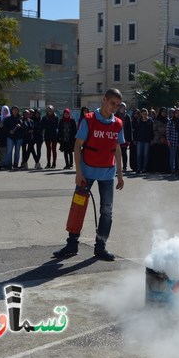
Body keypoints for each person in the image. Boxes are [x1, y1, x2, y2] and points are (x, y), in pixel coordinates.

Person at [53, 88, 125, 260]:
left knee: (107, 212)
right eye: (112, 103)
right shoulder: (89, 120)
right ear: (104, 99)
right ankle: (71, 245)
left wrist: (120, 175)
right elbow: (77, 146)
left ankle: (100, 248)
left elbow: (117, 149)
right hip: (87, 173)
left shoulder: (118, 124)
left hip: (108, 174)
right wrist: (78, 172)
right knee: (78, 207)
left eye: (117, 105)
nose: (114, 108)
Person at [3, 106, 25, 170]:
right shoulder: (8, 119)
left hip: (19, 138)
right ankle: (8, 165)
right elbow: (5, 128)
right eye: (13, 110)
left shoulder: (21, 119)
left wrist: (20, 126)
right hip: (10, 137)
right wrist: (9, 131)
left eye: (16, 110)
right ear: (11, 111)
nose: (15, 111)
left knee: (17, 151)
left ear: (18, 111)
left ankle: (15, 165)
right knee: (9, 151)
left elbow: (24, 128)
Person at [150, 107, 170, 173]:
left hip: (166, 141)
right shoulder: (156, 120)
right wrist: (160, 137)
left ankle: (164, 169)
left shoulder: (168, 120)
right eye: (162, 112)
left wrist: (165, 137)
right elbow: (155, 130)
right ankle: (156, 169)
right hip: (157, 140)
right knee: (157, 156)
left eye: (165, 112)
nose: (164, 113)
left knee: (165, 156)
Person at [135, 108, 153, 173]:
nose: (144, 115)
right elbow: (136, 131)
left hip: (147, 140)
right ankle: (139, 168)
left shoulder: (150, 121)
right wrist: (135, 139)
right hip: (139, 140)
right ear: (141, 114)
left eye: (145, 114)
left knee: (146, 155)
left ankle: (144, 168)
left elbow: (152, 131)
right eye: (143, 114)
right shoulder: (138, 121)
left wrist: (152, 139)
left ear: (147, 114)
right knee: (139, 155)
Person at [115, 102, 132, 172]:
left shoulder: (127, 116)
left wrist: (130, 139)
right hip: (116, 137)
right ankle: (116, 167)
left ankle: (124, 167)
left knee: (124, 153)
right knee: (116, 153)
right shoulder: (115, 115)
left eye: (124, 107)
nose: (123, 109)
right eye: (121, 107)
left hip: (125, 137)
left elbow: (129, 128)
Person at [166, 107, 178, 173]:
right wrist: (168, 141)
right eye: (170, 112)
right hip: (172, 141)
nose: (172, 114)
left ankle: (178, 168)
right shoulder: (170, 121)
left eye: (173, 112)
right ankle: (172, 169)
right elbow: (168, 132)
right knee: (172, 156)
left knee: (177, 156)